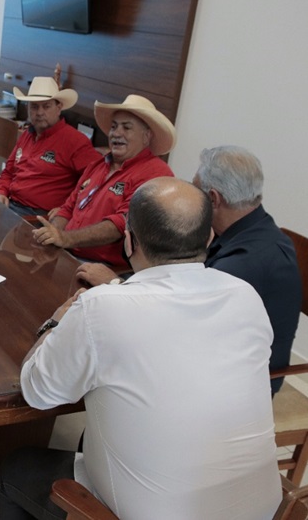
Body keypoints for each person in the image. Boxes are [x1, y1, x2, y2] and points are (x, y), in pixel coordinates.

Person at [0, 177, 281, 520]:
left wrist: (56, 321)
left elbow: (37, 392)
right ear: (209, 238)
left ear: (128, 242)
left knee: (18, 466)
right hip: (262, 511)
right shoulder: (245, 296)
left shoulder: (102, 309)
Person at [75, 146, 302, 395]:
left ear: (213, 199)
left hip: (233, 381)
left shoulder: (245, 263)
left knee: (112, 364)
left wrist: (116, 284)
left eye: (196, 190)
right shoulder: (243, 230)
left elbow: (174, 319)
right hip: (209, 346)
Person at [32, 94, 175, 267]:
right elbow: (68, 209)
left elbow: (120, 226)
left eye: (126, 128)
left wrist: (65, 238)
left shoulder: (156, 174)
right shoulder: (97, 165)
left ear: (147, 136)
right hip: (66, 254)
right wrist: (52, 234)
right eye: (114, 127)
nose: (116, 133)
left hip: (103, 268)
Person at [0, 77, 101, 217]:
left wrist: (68, 209)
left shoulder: (75, 141)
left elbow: (98, 180)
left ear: (59, 108)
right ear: (28, 108)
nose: (39, 112)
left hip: (37, 216)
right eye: (34, 106)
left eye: (46, 106)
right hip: (10, 204)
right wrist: (0, 192)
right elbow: (8, 172)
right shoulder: (27, 134)